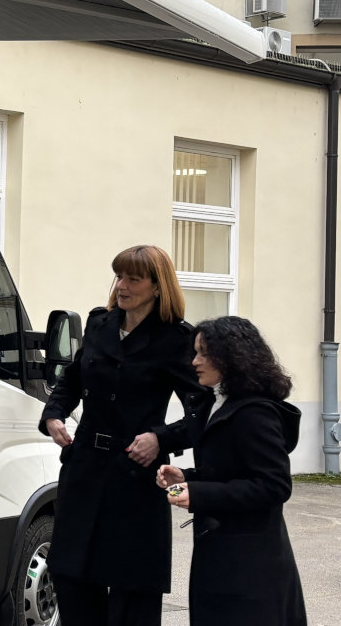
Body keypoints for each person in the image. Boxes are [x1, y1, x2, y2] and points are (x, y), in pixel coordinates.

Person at [38, 245, 206, 626]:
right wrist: (53, 415)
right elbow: (73, 378)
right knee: (70, 576)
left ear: (157, 286)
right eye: (119, 276)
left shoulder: (176, 339)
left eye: (133, 278)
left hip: (135, 478)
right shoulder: (100, 324)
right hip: (84, 471)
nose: (122, 285)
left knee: (132, 595)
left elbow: (202, 411)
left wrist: (161, 439)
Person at [156, 316, 306, 626]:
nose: (194, 361)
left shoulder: (255, 412)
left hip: (252, 568)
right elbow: (228, 471)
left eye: (204, 353)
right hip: (222, 558)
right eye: (195, 352)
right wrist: (186, 478)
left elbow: (274, 486)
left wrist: (199, 493)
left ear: (231, 356)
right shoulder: (219, 403)